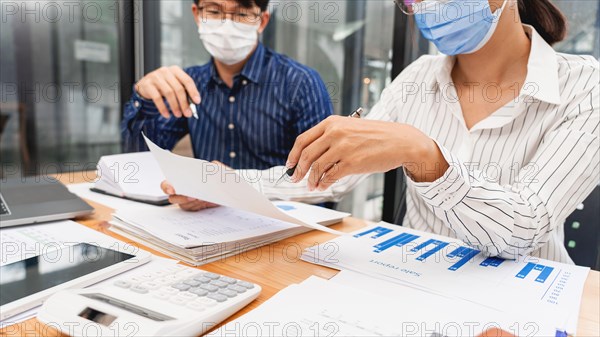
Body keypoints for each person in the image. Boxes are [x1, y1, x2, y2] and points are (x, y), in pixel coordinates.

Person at [166, 0, 599, 263]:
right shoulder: (417, 77)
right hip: (414, 281)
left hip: (525, 301)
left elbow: (523, 229)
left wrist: (424, 156)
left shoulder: (583, 87)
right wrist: (227, 184)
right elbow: (334, 174)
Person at [121, 0, 333, 172]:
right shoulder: (190, 84)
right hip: (206, 218)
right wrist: (143, 100)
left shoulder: (300, 83)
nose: (227, 25)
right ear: (197, 14)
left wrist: (245, 190)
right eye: (214, 11)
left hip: (282, 219)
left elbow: (324, 177)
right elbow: (141, 159)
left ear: (262, 21)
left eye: (241, 14)